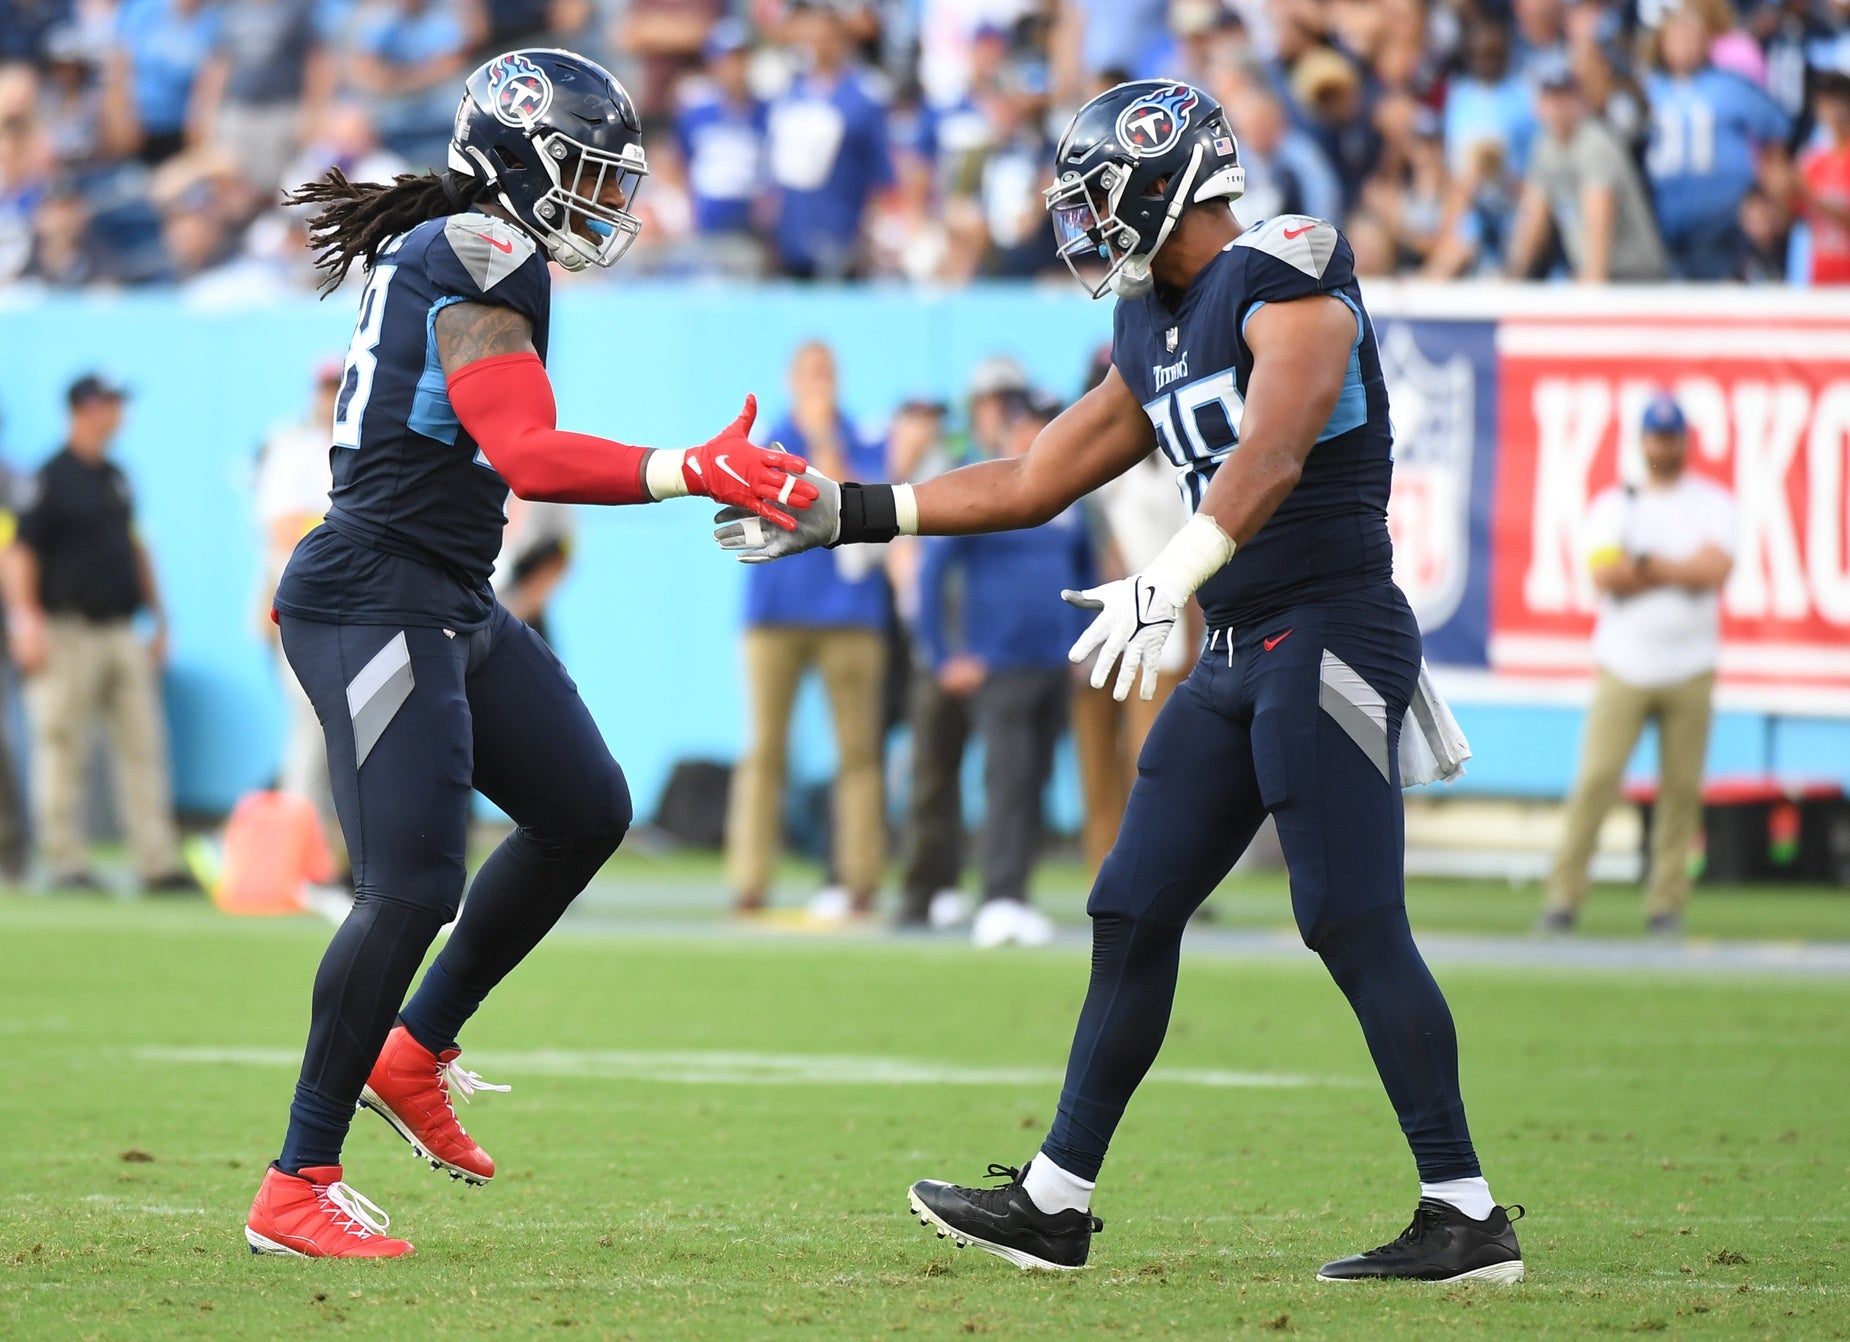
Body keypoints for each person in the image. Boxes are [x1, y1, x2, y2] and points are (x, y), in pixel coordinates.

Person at [718, 79, 1522, 1284]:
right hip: (1237, 646)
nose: (1082, 227)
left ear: (1164, 184)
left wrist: (1170, 568)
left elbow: (1276, 447)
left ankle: (1462, 1213)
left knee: (1346, 916)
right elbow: (1037, 474)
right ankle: (1053, 1201)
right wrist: (845, 511)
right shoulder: (1148, 323)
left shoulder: (1287, 268)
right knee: (1128, 905)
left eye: (1097, 200)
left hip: (1333, 628)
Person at [241, 48, 814, 1260]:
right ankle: (297, 1178)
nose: (606, 202)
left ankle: (415, 1045)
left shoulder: (470, 245)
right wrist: (687, 466)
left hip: (443, 590)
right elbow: (529, 453)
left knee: (584, 806)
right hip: (373, 592)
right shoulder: (479, 250)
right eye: (590, 175)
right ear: (520, 160)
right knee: (409, 886)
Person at [1540, 394, 1735, 938]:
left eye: (1671, 436)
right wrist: (1677, 569)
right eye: (1656, 436)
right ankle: (1564, 897)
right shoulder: (1616, 505)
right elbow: (1606, 576)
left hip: (1692, 666)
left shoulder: (1712, 503)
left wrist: (1645, 564)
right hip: (1624, 664)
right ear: (1643, 441)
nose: (1664, 446)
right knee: (1597, 781)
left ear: (1684, 442)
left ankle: (1666, 903)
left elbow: (1713, 571)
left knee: (1681, 792)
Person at [4, 375, 194, 894]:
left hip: (120, 629)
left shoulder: (115, 475)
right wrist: (26, 623)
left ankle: (156, 861)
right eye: (111, 402)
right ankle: (66, 861)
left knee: (143, 746)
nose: (120, 412)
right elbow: (20, 554)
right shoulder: (49, 476)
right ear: (84, 409)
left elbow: (137, 548)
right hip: (66, 629)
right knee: (63, 745)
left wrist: (160, 620)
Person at [914, 389, 1091, 948]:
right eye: (1026, 425)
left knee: (1036, 780)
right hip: (999, 664)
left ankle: (1016, 894)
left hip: (1052, 663)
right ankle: (996, 897)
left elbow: (1085, 568)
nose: (1034, 434)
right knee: (1007, 778)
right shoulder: (987, 486)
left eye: (1044, 424)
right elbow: (930, 573)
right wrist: (943, 655)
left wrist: (1083, 644)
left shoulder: (1071, 495)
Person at [724, 340, 889, 920]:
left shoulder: (862, 436)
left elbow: (857, 503)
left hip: (849, 614)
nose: (818, 384)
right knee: (765, 750)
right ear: (790, 379)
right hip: (774, 612)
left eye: (827, 372)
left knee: (859, 753)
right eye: (809, 373)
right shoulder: (763, 439)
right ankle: (749, 880)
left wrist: (823, 440)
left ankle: (861, 879)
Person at [893, 353, 1027, 931]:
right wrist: (940, 651)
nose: (1003, 412)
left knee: (1008, 778)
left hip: (1000, 653)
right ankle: (926, 888)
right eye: (995, 401)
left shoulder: (1037, 465)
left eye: (1011, 400)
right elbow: (916, 567)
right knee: (932, 775)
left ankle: (997, 892)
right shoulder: (949, 463)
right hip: (947, 648)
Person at [253, 357, 343, 868]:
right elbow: (283, 528)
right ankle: (294, 861)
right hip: (304, 608)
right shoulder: (292, 449)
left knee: (340, 735)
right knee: (312, 729)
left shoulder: (367, 444)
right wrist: (350, 526)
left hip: (351, 610)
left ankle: (326, 859)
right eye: (328, 386)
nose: (333, 396)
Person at [1644, 5, 1791, 279]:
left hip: (1725, 222)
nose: (1685, 45)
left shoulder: (1730, 85)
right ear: (1662, 43)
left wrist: (1772, 204)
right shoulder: (1650, 89)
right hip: (1665, 222)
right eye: (1677, 37)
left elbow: (1774, 140)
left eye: (1692, 36)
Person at [1503, 59, 1669, 282]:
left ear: (1579, 100)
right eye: (1551, 97)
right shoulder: (1545, 146)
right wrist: (1513, 275)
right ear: (1538, 104)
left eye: (1565, 96)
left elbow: (1600, 212)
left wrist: (1592, 280)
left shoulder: (1595, 143)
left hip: (1633, 277)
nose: (1558, 106)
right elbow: (1533, 215)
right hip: (1593, 272)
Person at [765, 0, 892, 278]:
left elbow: (881, 175)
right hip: (790, 235)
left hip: (842, 234)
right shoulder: (786, 94)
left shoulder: (864, 98)